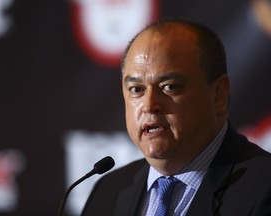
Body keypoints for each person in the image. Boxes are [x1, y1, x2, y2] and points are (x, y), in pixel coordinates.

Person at [81, 18, 271, 216]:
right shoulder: (109, 192)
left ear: (219, 95)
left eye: (169, 87)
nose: (149, 105)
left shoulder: (264, 189)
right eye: (136, 89)